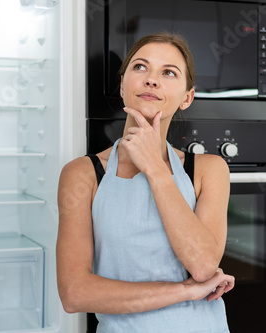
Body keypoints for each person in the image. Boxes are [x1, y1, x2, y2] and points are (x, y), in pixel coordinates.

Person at [56, 32, 235, 333]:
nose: (152, 80)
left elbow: (203, 265)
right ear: (123, 84)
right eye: (141, 67)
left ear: (186, 98)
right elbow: (74, 293)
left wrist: (154, 167)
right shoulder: (82, 174)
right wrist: (185, 291)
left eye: (168, 72)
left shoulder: (208, 170)